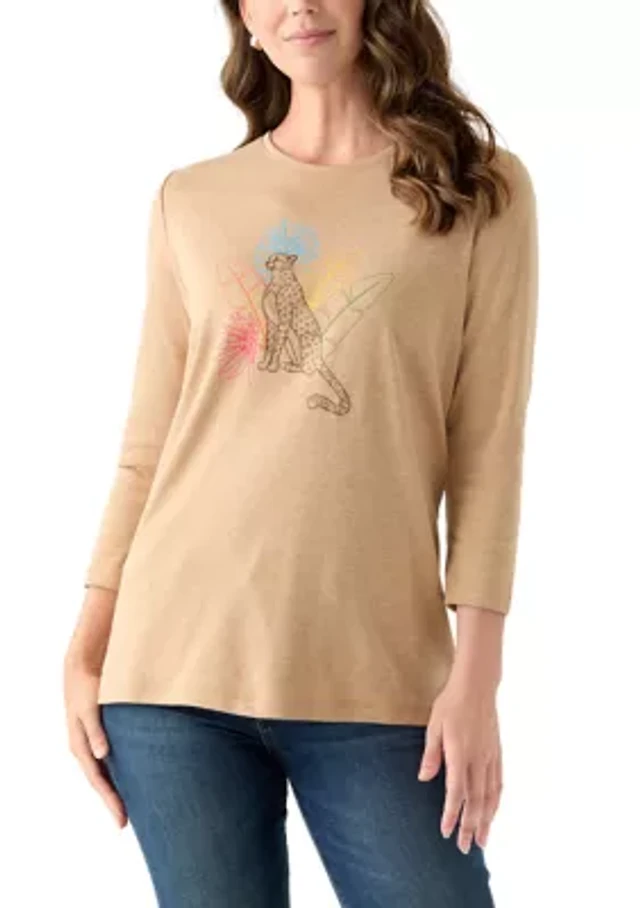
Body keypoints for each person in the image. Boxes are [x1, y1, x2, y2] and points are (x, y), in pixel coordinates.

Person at [63, 1, 538, 905]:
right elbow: (148, 445)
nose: (300, 6)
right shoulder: (191, 200)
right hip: (170, 674)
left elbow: (490, 445)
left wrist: (478, 680)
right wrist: (88, 645)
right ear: (243, 15)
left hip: (380, 678)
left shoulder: (475, 189)